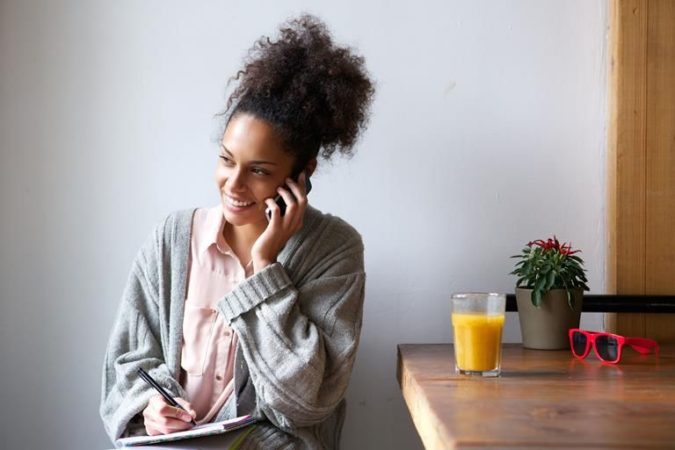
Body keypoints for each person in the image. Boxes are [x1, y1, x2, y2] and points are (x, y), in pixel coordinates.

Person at [100, 14, 375, 449]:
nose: (233, 184)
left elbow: (304, 402)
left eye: (259, 171)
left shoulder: (335, 250)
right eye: (227, 159)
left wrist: (266, 267)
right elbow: (128, 362)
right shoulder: (172, 239)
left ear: (302, 174)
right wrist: (150, 407)